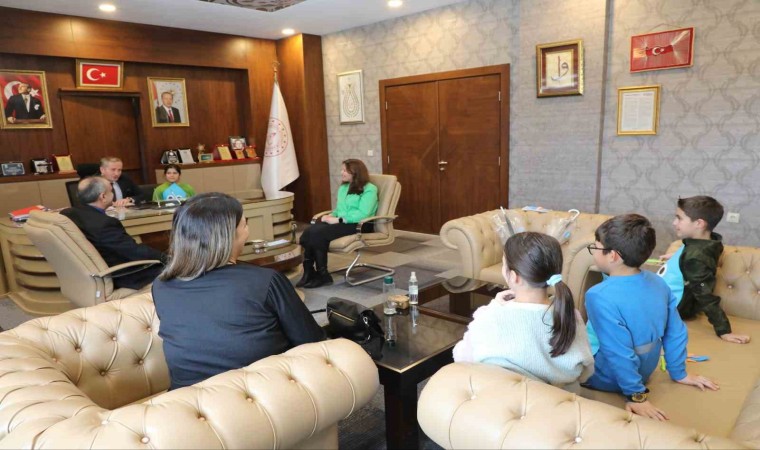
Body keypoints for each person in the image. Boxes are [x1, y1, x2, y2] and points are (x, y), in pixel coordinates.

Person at [152, 193, 324, 390]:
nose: (248, 230)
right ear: (228, 235)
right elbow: (311, 342)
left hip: (184, 399)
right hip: (261, 396)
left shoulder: (161, 285)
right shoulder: (265, 281)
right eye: (244, 224)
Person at [584, 214, 718, 421]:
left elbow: (617, 351)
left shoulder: (597, 295)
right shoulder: (657, 282)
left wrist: (636, 396)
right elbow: (676, 331)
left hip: (607, 377)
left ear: (613, 256)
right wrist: (679, 373)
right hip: (645, 371)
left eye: (596, 247)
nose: (593, 252)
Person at [453, 232, 594, 393]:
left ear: (514, 277)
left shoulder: (489, 316)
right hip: (559, 403)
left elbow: (461, 357)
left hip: (503, 401)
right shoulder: (569, 315)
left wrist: (495, 306)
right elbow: (585, 371)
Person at [659, 196, 750, 344]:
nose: (674, 223)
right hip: (661, 298)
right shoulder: (704, 243)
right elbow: (695, 254)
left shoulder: (695, 259)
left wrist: (724, 330)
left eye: (679, 218)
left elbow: (705, 295)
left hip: (669, 308)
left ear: (699, 223)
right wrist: (678, 257)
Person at [61, 177, 165, 290]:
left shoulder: (68, 214)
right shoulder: (105, 224)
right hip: (121, 274)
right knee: (171, 268)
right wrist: (165, 258)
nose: (113, 194)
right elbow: (134, 251)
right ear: (103, 196)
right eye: (111, 191)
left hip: (88, 274)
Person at [296, 159, 378, 289]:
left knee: (318, 233)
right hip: (342, 221)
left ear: (355, 173)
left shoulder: (370, 189)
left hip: (360, 224)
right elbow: (340, 209)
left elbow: (364, 213)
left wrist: (339, 220)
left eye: (345, 170)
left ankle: (323, 274)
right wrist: (331, 215)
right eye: (342, 170)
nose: (341, 173)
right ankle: (309, 271)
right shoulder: (344, 188)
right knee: (308, 232)